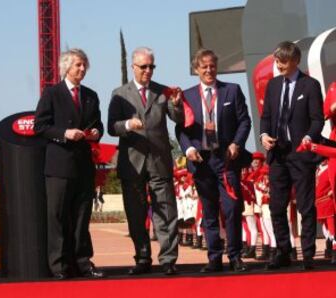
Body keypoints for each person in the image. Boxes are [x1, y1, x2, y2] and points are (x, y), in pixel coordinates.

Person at [107, 47, 184, 275]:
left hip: (159, 160)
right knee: (135, 213)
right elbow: (112, 127)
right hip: (132, 163)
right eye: (144, 67)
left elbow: (178, 119)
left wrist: (177, 104)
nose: (148, 71)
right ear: (133, 67)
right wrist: (128, 125)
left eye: (152, 66)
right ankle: (142, 258)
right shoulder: (119, 94)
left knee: (167, 212)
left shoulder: (163, 92)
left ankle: (168, 259)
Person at [176, 48, 252, 273]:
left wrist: (237, 143)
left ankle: (235, 256)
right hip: (202, 161)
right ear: (196, 69)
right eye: (204, 66)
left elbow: (245, 121)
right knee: (208, 212)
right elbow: (181, 129)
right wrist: (188, 149)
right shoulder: (188, 96)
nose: (208, 70)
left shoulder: (232, 91)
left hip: (226, 159)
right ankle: (214, 258)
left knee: (232, 209)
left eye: (212, 65)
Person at [34, 48, 105, 279]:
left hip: (84, 166)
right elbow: (40, 126)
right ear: (66, 67)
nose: (82, 69)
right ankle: (59, 265)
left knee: (82, 216)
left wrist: (96, 132)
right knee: (58, 216)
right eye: (78, 65)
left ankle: (83, 263)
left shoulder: (91, 95)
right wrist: (65, 133)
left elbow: (99, 125)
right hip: (59, 166)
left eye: (85, 65)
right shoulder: (52, 93)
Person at [260, 41, 324, 270]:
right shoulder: (273, 85)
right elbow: (266, 116)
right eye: (277, 61)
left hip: (301, 155)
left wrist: (310, 136)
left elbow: (317, 119)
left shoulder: (310, 85)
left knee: (306, 206)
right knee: (277, 206)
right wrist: (264, 135)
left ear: (295, 61)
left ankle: (307, 254)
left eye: (283, 62)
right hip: (278, 155)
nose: (279, 66)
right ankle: (283, 252)